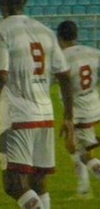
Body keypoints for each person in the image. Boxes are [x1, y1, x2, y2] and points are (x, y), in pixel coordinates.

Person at [0, 0, 75, 209]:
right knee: (38, 182)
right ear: (25, 1)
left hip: (18, 117)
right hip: (45, 117)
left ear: (0, 2)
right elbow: (66, 77)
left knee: (13, 184)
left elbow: (0, 76)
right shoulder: (45, 32)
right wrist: (68, 117)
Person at [57, 20, 100, 199]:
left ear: (59, 38)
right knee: (78, 146)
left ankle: (85, 187)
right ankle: (83, 189)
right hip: (94, 105)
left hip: (77, 110)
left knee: (81, 152)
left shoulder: (62, 57)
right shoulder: (93, 52)